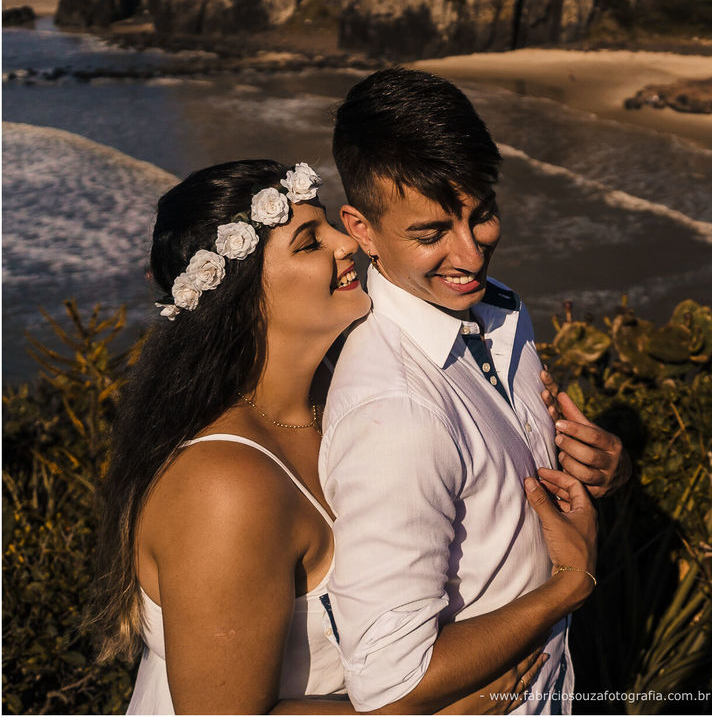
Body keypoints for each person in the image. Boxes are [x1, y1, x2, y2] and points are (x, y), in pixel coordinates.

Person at [89, 159, 600, 714]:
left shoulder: (343, 394)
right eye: (310, 242)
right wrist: (563, 590)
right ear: (241, 298)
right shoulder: (225, 488)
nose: (347, 243)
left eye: (331, 224)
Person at [322, 67, 631, 714]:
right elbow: (388, 685)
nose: (471, 253)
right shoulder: (396, 414)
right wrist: (571, 585)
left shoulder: (502, 309)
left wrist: (602, 469)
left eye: (482, 214)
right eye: (432, 233)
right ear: (363, 230)